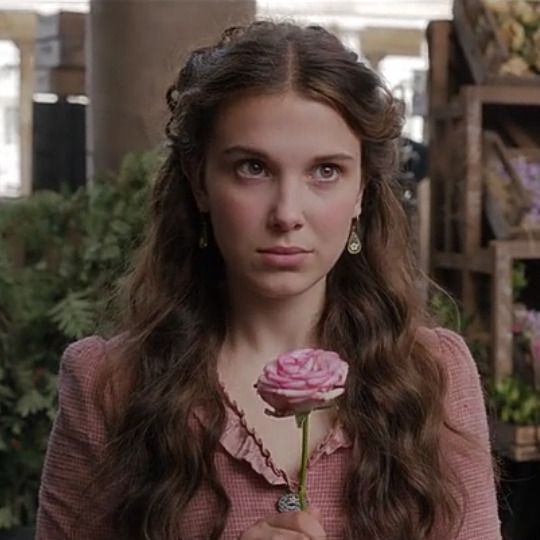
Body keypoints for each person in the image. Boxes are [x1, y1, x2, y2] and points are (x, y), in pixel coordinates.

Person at [36, 21, 501, 540]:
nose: (287, 214)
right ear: (199, 182)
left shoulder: (433, 376)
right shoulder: (107, 385)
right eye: (252, 168)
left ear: (362, 194)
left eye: (325, 171)